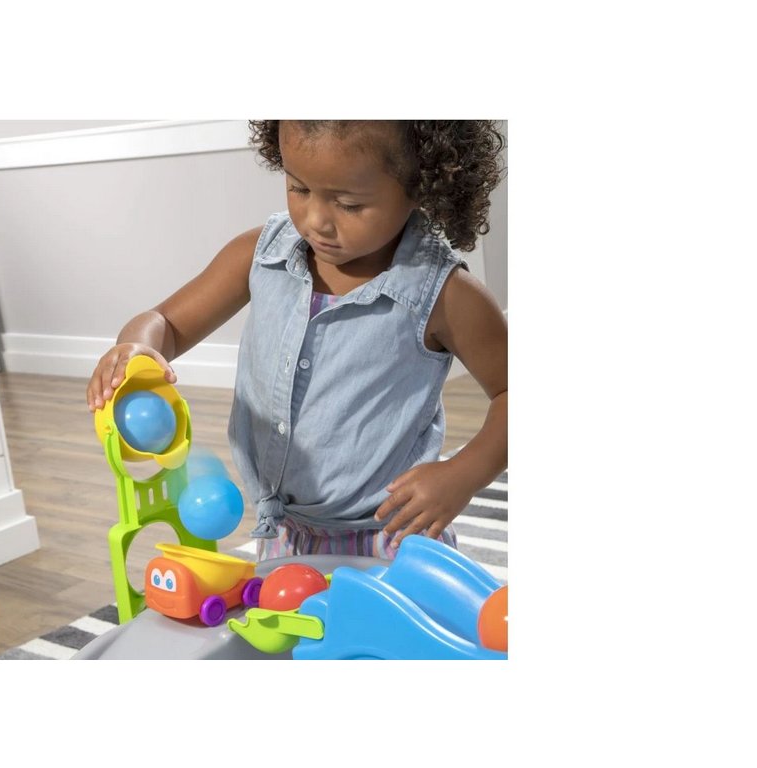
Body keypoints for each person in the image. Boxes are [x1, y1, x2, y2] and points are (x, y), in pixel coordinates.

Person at [87, 120, 507, 561]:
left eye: (349, 204)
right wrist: (136, 347)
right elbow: (166, 323)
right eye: (298, 188)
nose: (316, 221)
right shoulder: (258, 255)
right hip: (285, 536)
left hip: (394, 539)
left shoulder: (445, 294)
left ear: (423, 184)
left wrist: (463, 474)